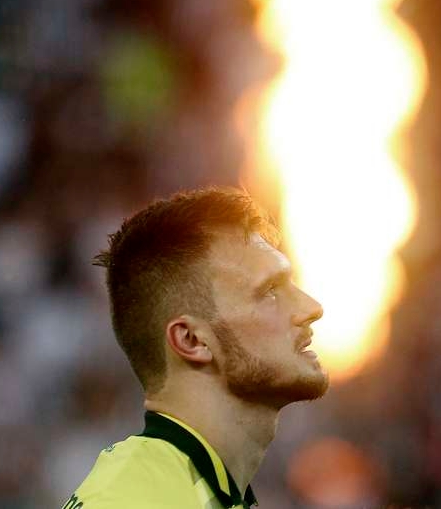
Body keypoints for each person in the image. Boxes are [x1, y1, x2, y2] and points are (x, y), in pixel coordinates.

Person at [62, 187, 328, 508]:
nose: (311, 307)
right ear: (192, 340)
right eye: (270, 291)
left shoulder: (199, 490)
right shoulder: (126, 501)